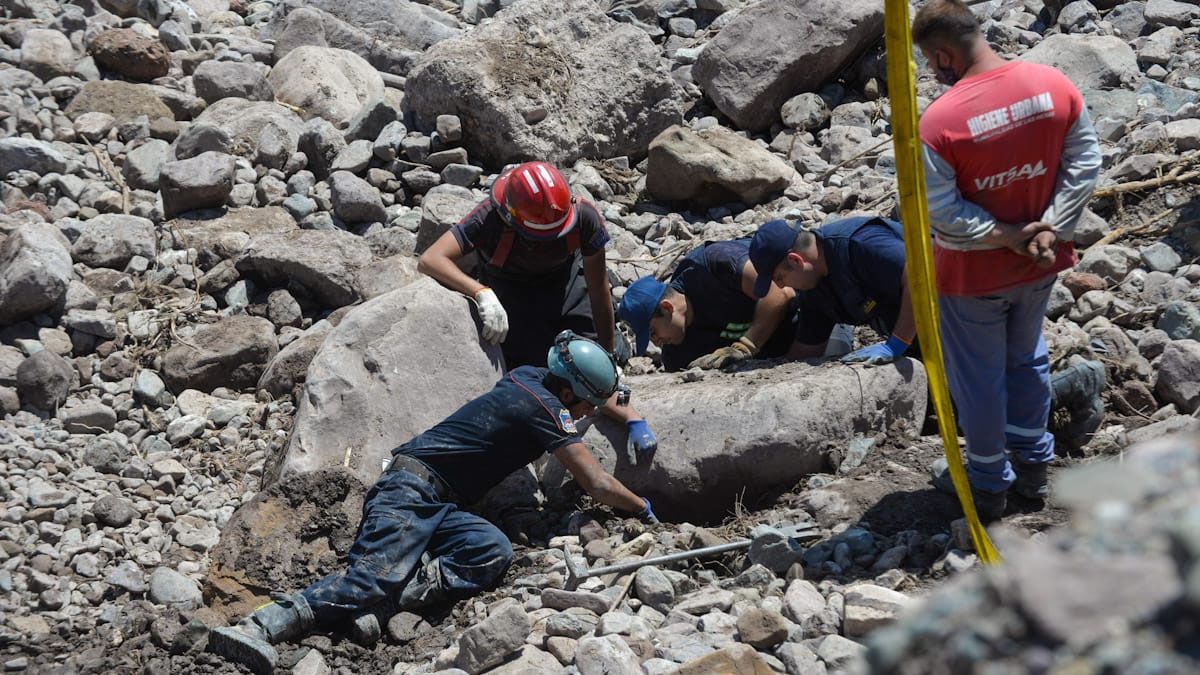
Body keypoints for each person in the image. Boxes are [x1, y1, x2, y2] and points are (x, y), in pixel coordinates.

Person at [210, 333, 659, 672]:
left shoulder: (528, 377)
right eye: (585, 407)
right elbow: (597, 483)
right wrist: (640, 507)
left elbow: (589, 400)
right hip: (407, 492)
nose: (585, 416)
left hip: (441, 502)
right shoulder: (547, 409)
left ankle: (385, 608)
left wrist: (629, 413)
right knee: (371, 577)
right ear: (566, 395)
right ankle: (263, 624)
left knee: (491, 550)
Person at [913, 0, 1102, 520]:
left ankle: (990, 483)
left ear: (945, 53)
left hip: (972, 276)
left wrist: (1007, 235)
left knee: (978, 380)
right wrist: (1052, 227)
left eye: (932, 61)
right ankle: (1034, 468)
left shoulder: (941, 120)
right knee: (1027, 360)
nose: (934, 72)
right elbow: (1085, 159)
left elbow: (942, 211)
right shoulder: (1052, 84)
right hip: (1039, 265)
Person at [417, 161, 657, 459]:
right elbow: (431, 259)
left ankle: (632, 417)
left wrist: (606, 356)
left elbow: (598, 290)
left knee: (592, 363)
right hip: (512, 293)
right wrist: (481, 292)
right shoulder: (491, 218)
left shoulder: (584, 217)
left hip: (565, 286)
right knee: (542, 376)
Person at [748, 216, 917, 364]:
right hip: (917, 340)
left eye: (779, 278)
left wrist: (897, 343)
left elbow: (921, 275)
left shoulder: (861, 244)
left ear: (796, 261)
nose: (781, 287)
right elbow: (807, 350)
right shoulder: (814, 290)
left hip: (940, 312)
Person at [617, 238, 798, 372]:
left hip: (808, 312)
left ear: (667, 308)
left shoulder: (712, 265)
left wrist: (745, 347)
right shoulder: (676, 355)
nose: (655, 342)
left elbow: (780, 292)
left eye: (652, 332)